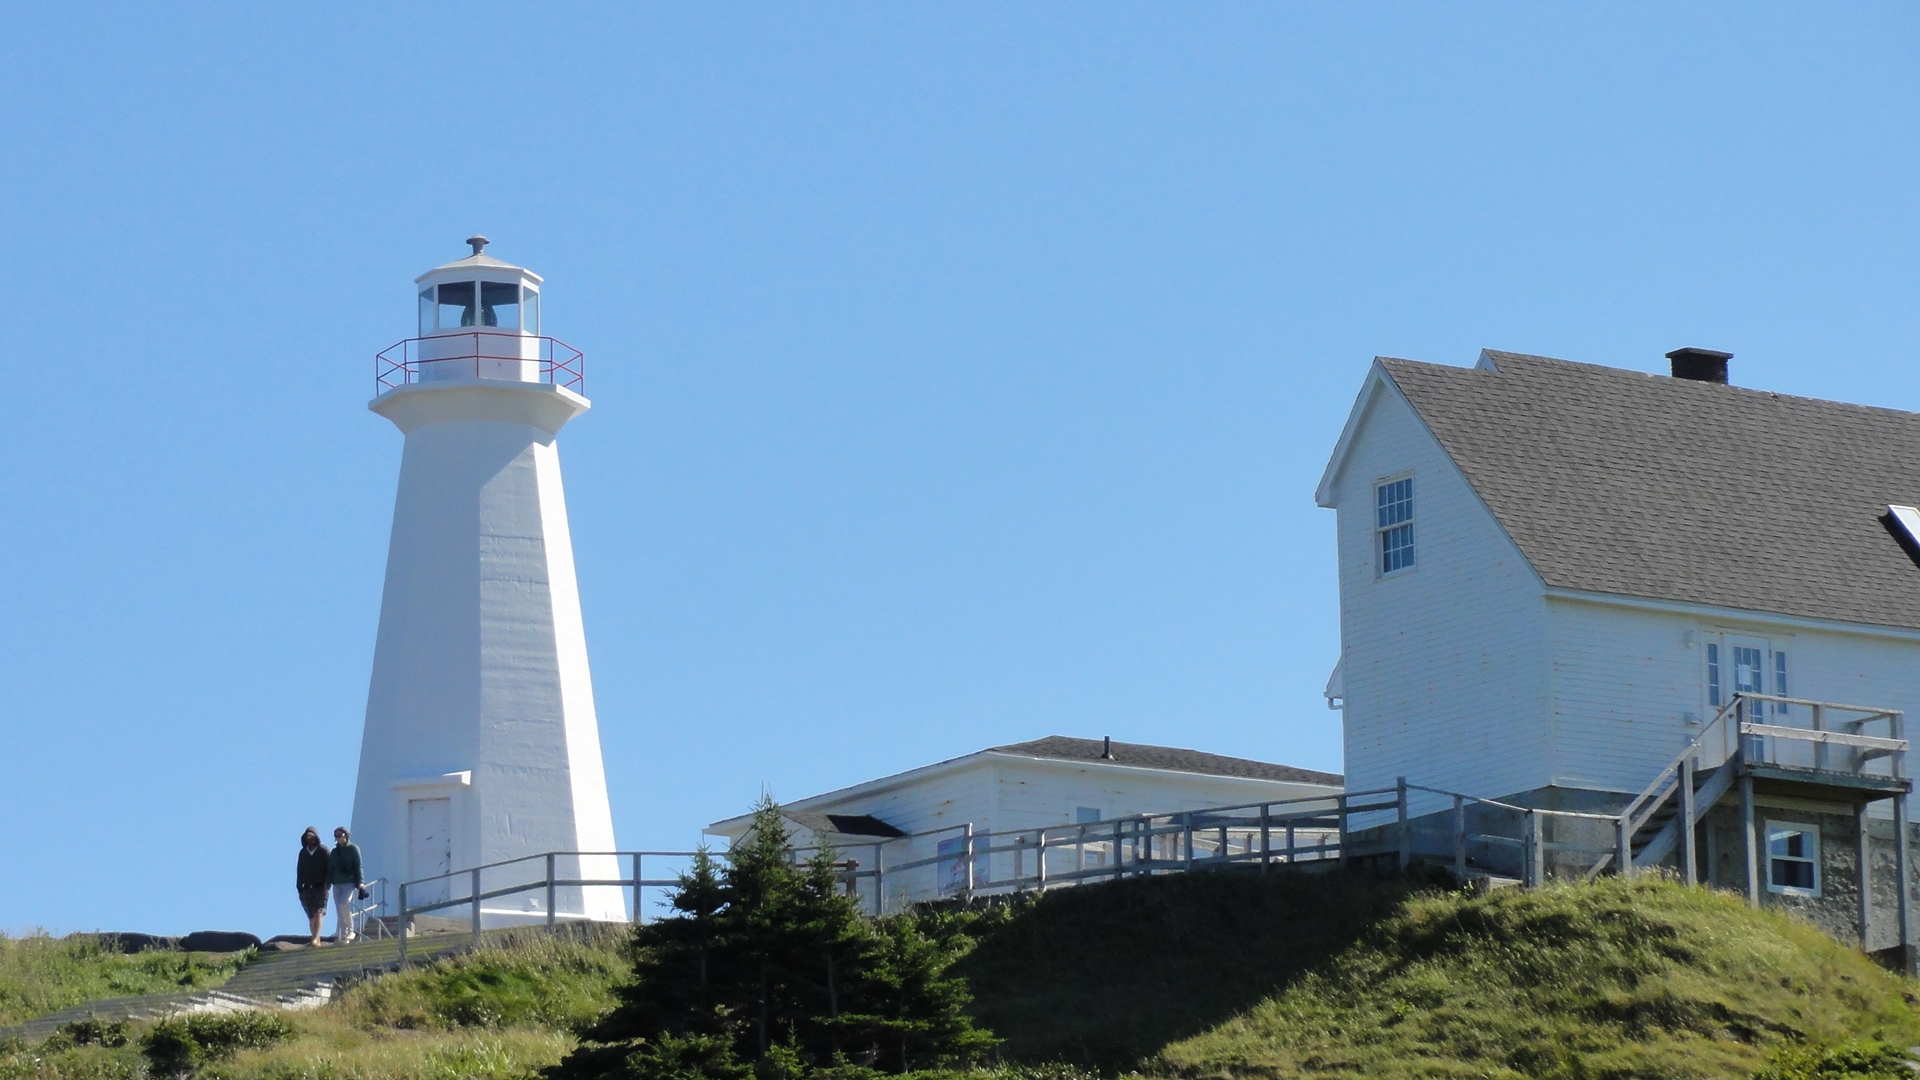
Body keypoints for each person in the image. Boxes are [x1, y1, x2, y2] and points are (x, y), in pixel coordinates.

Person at [327, 826, 366, 944]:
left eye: (339, 835)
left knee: (344, 903)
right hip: (337, 882)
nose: (338, 838)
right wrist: (327, 883)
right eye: (336, 836)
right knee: (338, 907)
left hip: (349, 881)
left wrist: (361, 882)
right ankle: (342, 932)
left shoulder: (353, 849)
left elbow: (358, 866)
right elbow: (331, 868)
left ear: (346, 835)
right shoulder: (334, 852)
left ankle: (350, 930)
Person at [296, 827, 331, 946]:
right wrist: (299, 886)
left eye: (311, 836)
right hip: (306, 888)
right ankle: (314, 938)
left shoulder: (323, 851)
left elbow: (329, 868)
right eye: (307, 837)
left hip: (321, 887)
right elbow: (299, 870)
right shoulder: (303, 853)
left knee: (319, 912)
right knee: (311, 915)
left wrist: (327, 884)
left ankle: (316, 937)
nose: (309, 839)